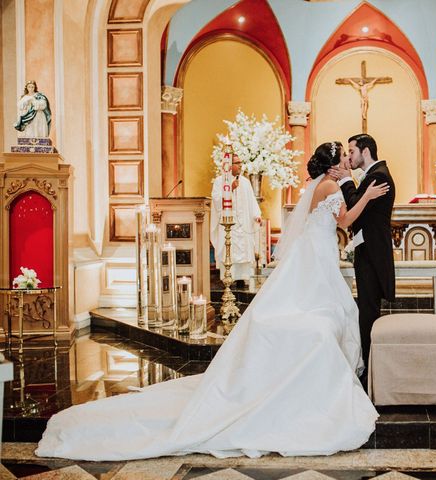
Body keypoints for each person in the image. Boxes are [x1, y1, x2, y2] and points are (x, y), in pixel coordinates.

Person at [36, 141, 389, 461]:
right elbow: (344, 220)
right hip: (319, 255)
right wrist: (367, 198)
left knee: (310, 303)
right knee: (323, 308)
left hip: (315, 251)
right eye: (342, 157)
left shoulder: (321, 185)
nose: (346, 160)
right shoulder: (329, 186)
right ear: (331, 166)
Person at [328, 134, 396, 375]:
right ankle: (371, 363)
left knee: (368, 312)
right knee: (368, 310)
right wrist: (348, 180)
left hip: (372, 254)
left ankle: (370, 367)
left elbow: (358, 206)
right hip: (369, 251)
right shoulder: (374, 175)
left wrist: (346, 179)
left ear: (365, 151)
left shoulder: (378, 176)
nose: (349, 157)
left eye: (352, 151)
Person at [210, 155, 262, 286]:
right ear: (229, 165)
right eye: (237, 163)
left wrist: (256, 214)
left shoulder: (245, 182)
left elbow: (252, 201)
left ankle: (241, 278)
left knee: (243, 249)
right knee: (229, 249)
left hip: (243, 223)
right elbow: (216, 201)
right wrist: (230, 189)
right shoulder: (219, 181)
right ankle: (228, 277)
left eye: (241, 162)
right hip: (227, 224)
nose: (240, 165)